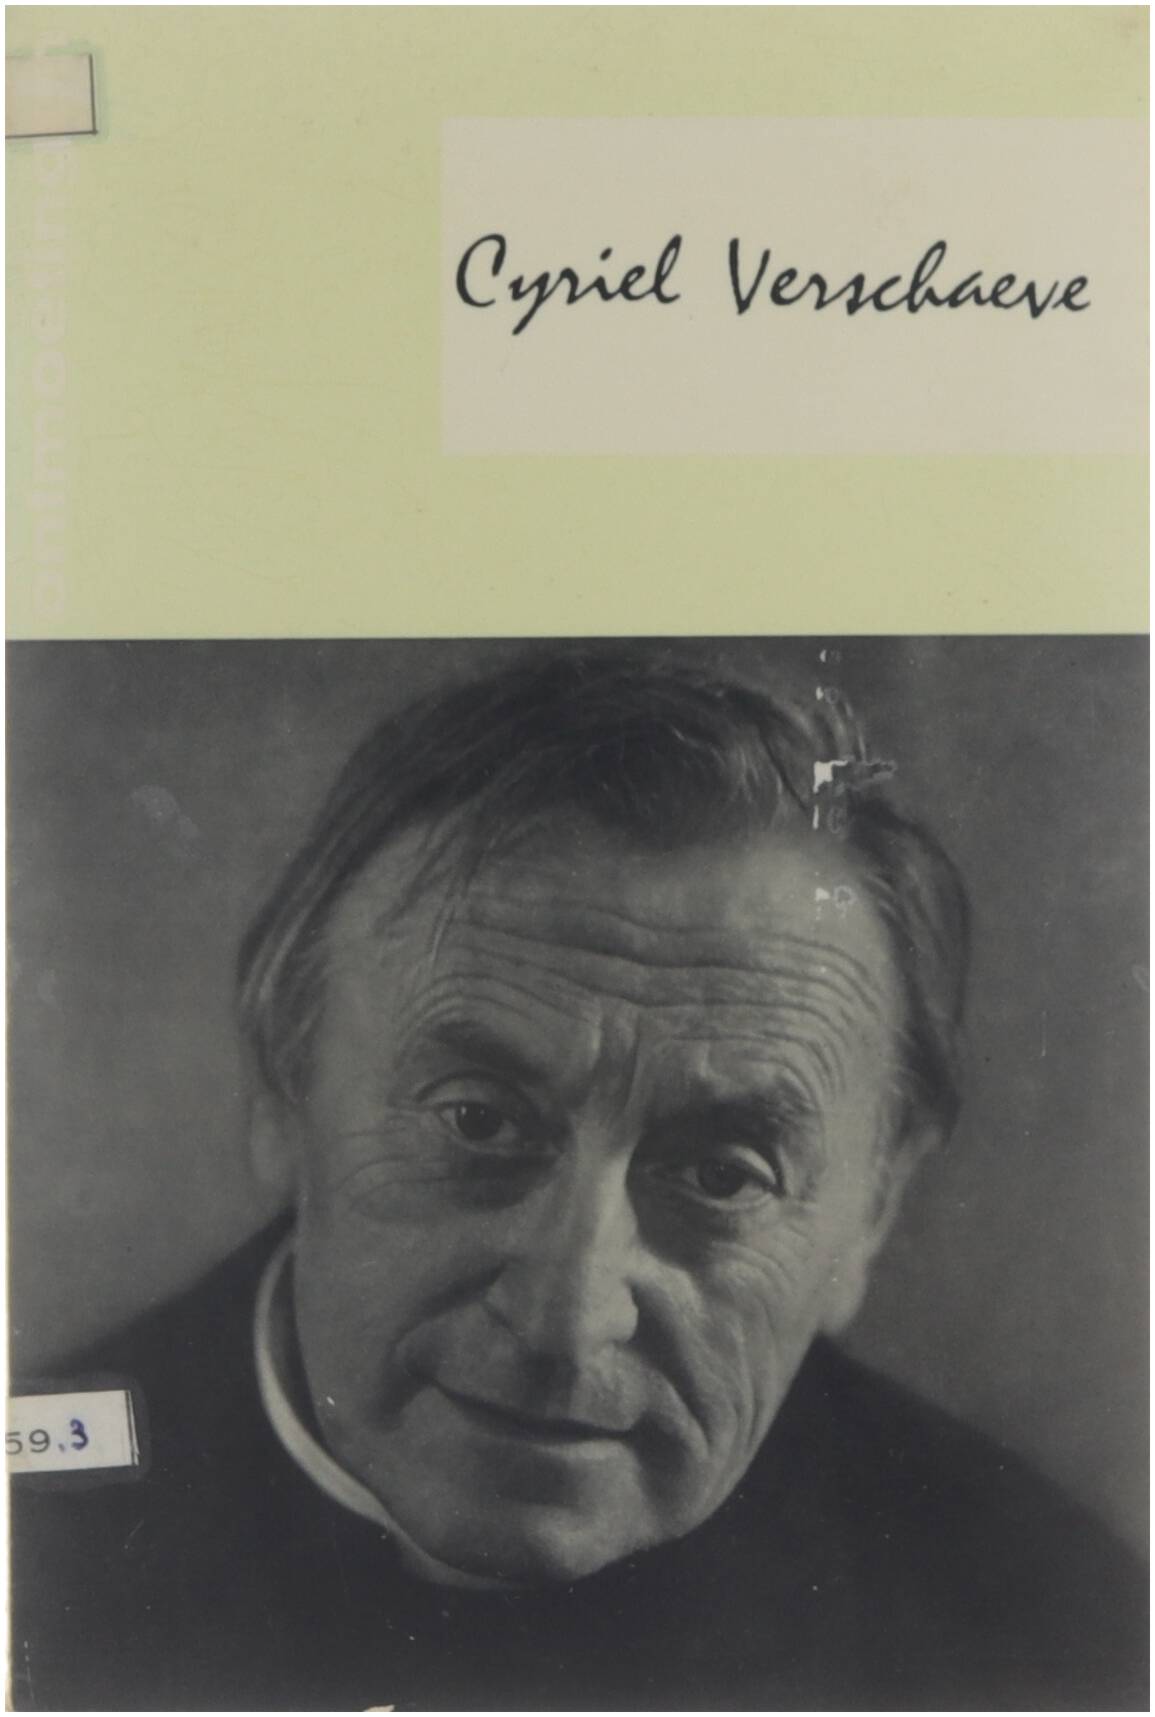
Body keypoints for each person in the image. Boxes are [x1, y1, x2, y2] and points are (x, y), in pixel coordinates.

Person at [10, 646, 1147, 1710]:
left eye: (720, 1174)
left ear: (873, 1213)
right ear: (281, 1093)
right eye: (479, 1120)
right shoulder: (31, 1524)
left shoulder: (1050, 1628)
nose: (566, 1315)